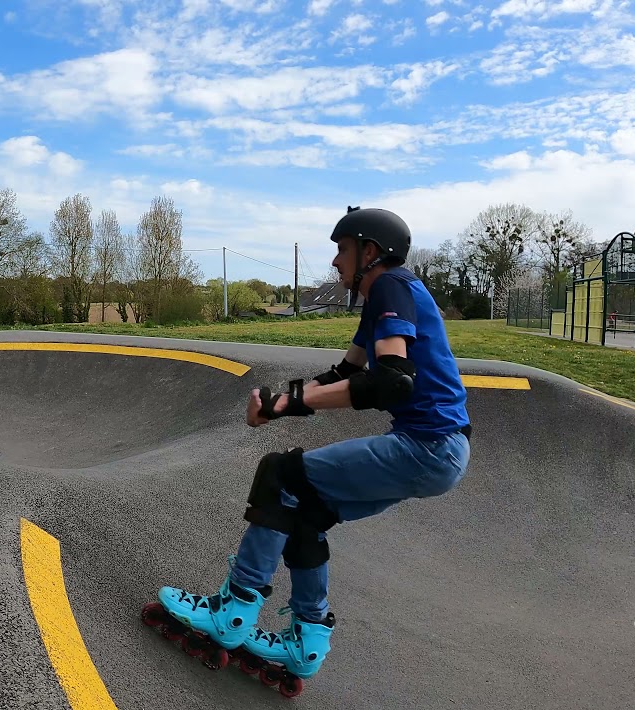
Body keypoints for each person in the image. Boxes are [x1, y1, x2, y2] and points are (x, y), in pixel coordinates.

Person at [155, 206, 472, 682]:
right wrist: (280, 400)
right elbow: (344, 373)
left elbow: (392, 383)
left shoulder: (392, 286)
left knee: (279, 473)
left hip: (426, 445)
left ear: (371, 251)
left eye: (342, 249)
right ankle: (306, 640)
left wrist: (289, 405)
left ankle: (232, 610)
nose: (335, 262)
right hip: (437, 451)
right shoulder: (384, 303)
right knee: (306, 512)